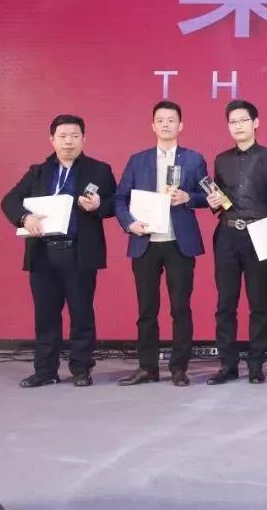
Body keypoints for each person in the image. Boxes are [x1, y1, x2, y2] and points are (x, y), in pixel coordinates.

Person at [1, 114, 116, 388]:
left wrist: (99, 205)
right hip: (43, 254)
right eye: (62, 136)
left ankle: (81, 369)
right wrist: (24, 218)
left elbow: (116, 203)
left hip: (79, 253)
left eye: (74, 136)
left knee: (82, 314)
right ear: (52, 139)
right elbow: (9, 200)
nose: (68, 141)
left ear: (84, 139)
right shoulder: (38, 172)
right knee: (46, 316)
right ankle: (45, 371)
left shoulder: (99, 170)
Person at [113, 101, 209, 387]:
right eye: (160, 120)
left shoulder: (194, 159)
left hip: (179, 242)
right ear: (152, 126)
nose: (166, 124)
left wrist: (189, 198)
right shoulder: (137, 160)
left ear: (181, 125)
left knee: (181, 308)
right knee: (146, 309)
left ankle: (179, 368)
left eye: (171, 120)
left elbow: (209, 196)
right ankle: (147, 367)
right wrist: (129, 223)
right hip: (145, 241)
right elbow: (120, 198)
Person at [205, 100, 267, 385]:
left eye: (243, 120)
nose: (238, 126)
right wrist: (213, 202)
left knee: (258, 303)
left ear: (256, 123)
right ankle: (227, 365)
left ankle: (256, 365)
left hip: (260, 233)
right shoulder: (221, 160)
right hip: (227, 235)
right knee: (225, 304)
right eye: (233, 122)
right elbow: (219, 200)